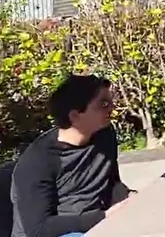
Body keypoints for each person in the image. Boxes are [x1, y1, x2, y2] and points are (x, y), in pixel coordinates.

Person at [11, 74, 131, 237]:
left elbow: (111, 182)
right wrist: (102, 217)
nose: (112, 107)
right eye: (103, 104)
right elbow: (38, 229)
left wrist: (128, 199)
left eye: (111, 102)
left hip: (94, 226)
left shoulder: (104, 135)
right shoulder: (38, 161)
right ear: (74, 115)